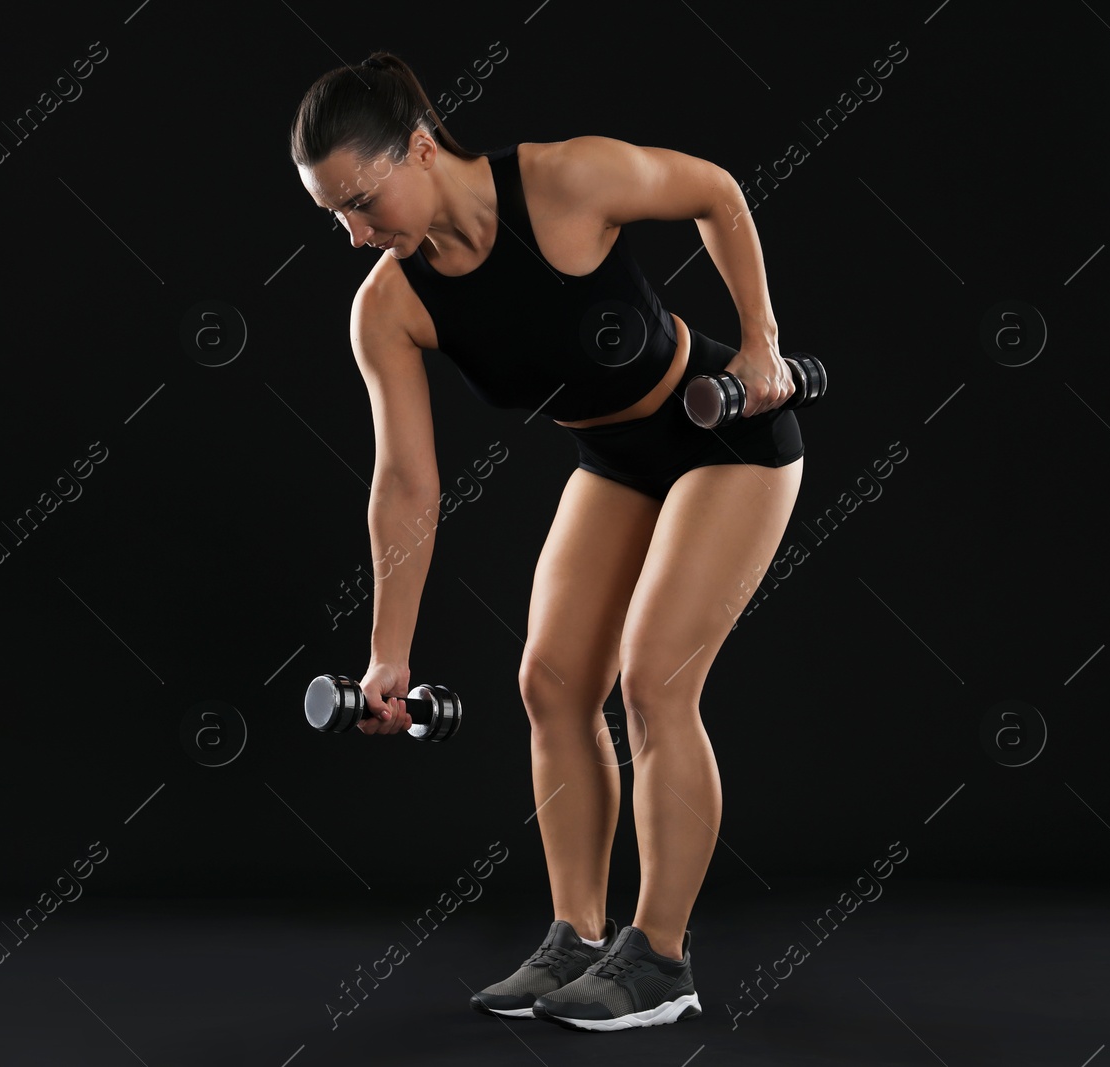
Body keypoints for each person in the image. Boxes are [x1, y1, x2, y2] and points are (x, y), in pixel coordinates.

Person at [290, 50, 805, 1032]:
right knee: (553, 681)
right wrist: (387, 659)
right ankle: (577, 935)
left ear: (420, 148)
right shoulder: (391, 307)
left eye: (361, 199)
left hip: (725, 433)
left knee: (655, 680)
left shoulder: (565, 179)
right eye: (333, 216)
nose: (355, 233)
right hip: (615, 456)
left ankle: (659, 958)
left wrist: (762, 342)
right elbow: (404, 485)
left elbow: (717, 191)